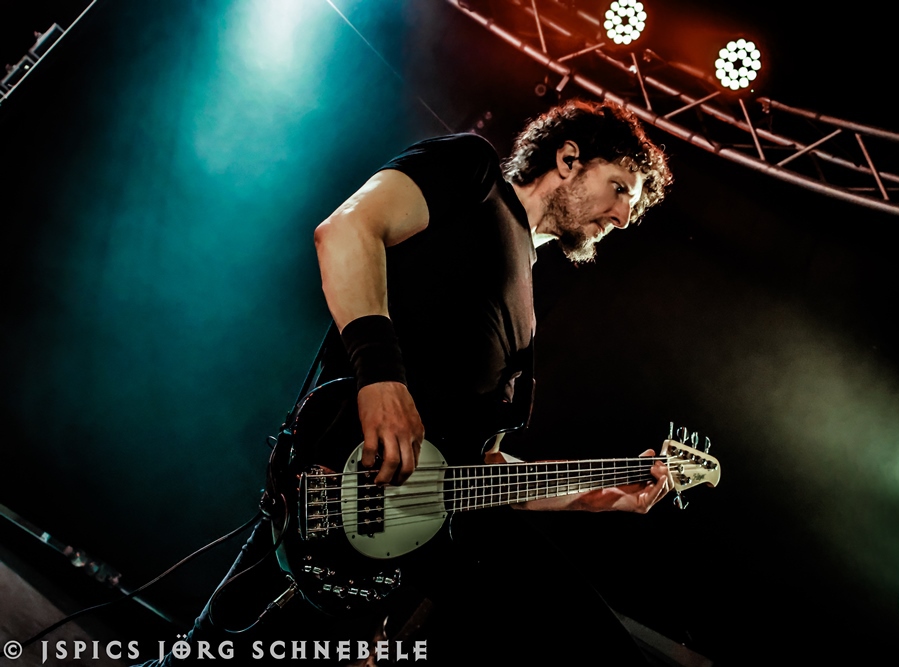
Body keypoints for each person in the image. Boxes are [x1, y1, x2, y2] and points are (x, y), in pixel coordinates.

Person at [136, 98, 673, 666]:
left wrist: (596, 495)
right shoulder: (473, 174)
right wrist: (381, 378)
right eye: (619, 188)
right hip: (337, 484)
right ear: (567, 159)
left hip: (387, 535)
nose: (621, 217)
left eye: (631, 208)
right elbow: (347, 229)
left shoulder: (526, 311)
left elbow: (477, 467)